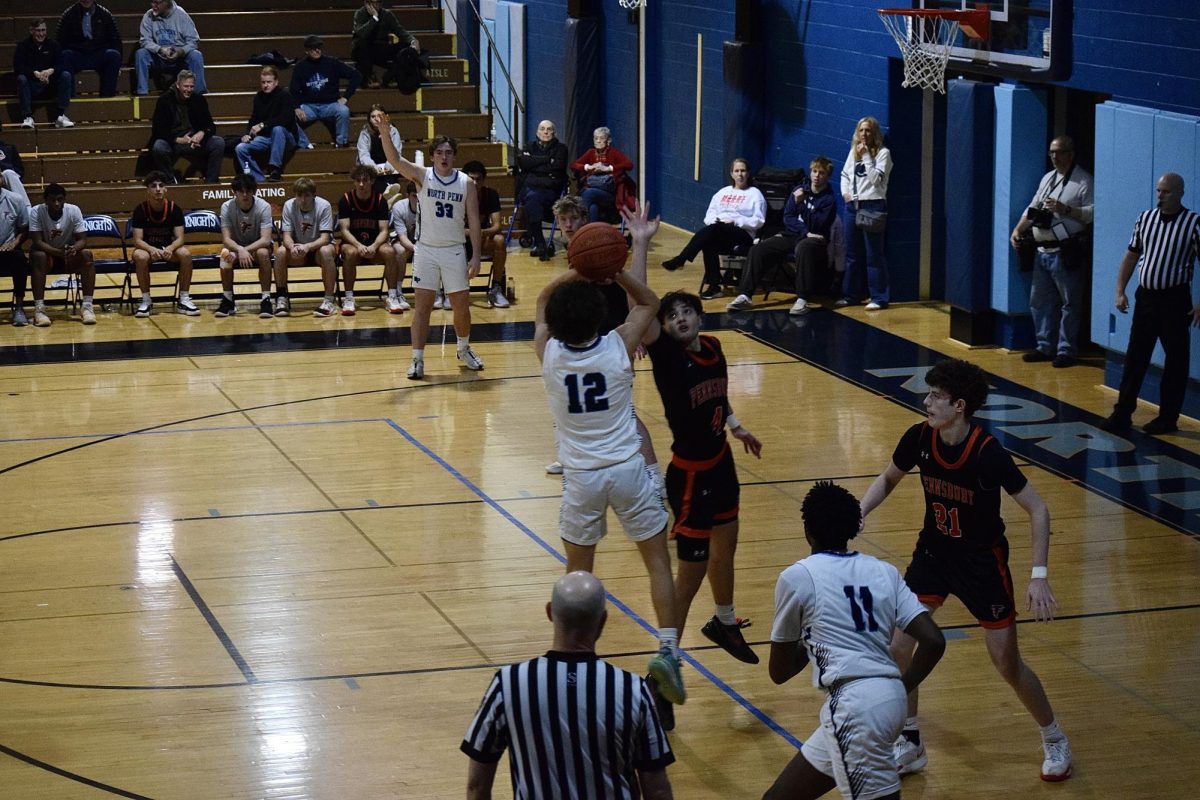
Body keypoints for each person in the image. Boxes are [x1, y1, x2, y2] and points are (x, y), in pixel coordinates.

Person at [859, 358, 1073, 783]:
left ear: (959, 406)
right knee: (899, 645)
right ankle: (911, 741)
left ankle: (1054, 737)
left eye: (936, 397)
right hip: (933, 556)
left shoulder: (988, 453)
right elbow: (887, 479)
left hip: (981, 563)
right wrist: (859, 512)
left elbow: (1038, 509)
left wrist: (1039, 574)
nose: (926, 402)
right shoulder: (919, 437)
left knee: (1006, 663)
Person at [534, 263, 686, 709]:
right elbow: (650, 303)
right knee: (658, 562)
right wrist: (614, 270)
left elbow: (542, 301)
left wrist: (575, 268)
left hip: (582, 477)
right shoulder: (620, 344)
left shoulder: (548, 352)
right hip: (629, 470)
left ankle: (570, 662)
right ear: (601, 318)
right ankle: (668, 651)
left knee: (578, 578)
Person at [763, 481, 946, 800]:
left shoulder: (797, 577)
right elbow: (934, 641)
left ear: (808, 531)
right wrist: (903, 687)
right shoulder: (884, 571)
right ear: (851, 528)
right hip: (889, 702)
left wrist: (810, 637)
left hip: (853, 707)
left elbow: (778, 673)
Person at [461, 571, 675, 800]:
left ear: (550, 612)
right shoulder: (632, 690)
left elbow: (477, 786)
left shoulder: (508, 684)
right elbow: (658, 790)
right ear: (603, 619)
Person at [546, 195, 664, 491]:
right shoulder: (577, 254)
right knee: (566, 399)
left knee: (627, 415)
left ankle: (652, 473)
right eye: (564, 220)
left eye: (574, 218)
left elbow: (633, 303)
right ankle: (572, 454)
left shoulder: (600, 252)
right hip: (585, 342)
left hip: (613, 340)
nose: (569, 224)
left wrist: (630, 336)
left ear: (586, 221)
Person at [376, 124, 484, 378]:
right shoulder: (423, 176)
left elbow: (475, 221)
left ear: (453, 156)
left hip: (454, 250)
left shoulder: (466, 183)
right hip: (426, 250)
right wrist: (383, 132)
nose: (444, 156)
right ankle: (417, 359)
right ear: (432, 155)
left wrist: (476, 255)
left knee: (461, 307)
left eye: (448, 152)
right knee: (422, 308)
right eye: (439, 152)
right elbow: (394, 159)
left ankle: (464, 348)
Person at [1100, 172, 1200, 435]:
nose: (1160, 196)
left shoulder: (1194, 223)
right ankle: (1122, 413)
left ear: (1180, 193)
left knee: (1176, 361)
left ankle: (1168, 418)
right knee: (1135, 357)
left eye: (1166, 192)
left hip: (1175, 300)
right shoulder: (1145, 218)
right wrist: (1120, 290)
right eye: (1158, 191)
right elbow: (1131, 256)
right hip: (1146, 298)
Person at [1009, 136, 1094, 368]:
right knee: (1040, 301)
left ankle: (1066, 350)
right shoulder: (1048, 178)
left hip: (1066, 250)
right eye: (1051, 153)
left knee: (1070, 303)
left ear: (1071, 154)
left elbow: (1092, 213)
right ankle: (1044, 346)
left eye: (1059, 152)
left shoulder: (1084, 181)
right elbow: (1033, 207)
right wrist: (1017, 230)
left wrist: (1066, 209)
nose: (1054, 157)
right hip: (1042, 251)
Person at [727, 156, 837, 315]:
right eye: (814, 171)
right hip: (794, 234)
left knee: (804, 247)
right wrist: (804, 230)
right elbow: (788, 217)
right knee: (758, 249)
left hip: (815, 240)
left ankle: (802, 299)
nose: (816, 176)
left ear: (827, 176)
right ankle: (745, 295)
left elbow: (818, 225)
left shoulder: (828, 200)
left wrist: (801, 206)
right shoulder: (799, 190)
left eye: (821, 173)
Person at [661, 157, 766, 300]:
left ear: (748, 173)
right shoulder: (722, 192)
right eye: (737, 171)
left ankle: (681, 259)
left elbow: (759, 221)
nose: (740, 174)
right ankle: (714, 286)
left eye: (743, 171)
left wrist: (736, 221)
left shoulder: (755, 194)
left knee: (713, 231)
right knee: (709, 240)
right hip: (720, 231)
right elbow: (709, 215)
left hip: (743, 234)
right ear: (731, 174)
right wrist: (716, 222)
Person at [838, 116, 892, 310]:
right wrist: (845, 193)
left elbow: (876, 179)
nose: (864, 134)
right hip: (853, 206)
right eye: (861, 130)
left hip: (873, 205)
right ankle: (851, 294)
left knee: (874, 254)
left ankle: (878, 297)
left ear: (874, 133)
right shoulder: (854, 152)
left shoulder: (883, 154)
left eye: (868, 130)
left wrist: (868, 156)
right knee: (852, 254)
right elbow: (845, 174)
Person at [129, 170, 199, 318]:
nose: (158, 189)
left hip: (168, 248)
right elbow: (137, 240)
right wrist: (151, 249)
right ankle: (146, 301)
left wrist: (171, 248)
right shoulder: (140, 210)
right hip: (148, 250)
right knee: (140, 256)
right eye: (154, 186)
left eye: (161, 185)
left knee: (185, 254)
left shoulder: (175, 209)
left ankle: (184, 299)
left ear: (166, 188)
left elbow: (180, 239)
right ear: (148, 190)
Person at [337, 164, 405, 316]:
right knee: (350, 252)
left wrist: (374, 245)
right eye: (358, 180)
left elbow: (384, 230)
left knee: (389, 251)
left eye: (365, 180)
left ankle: (392, 296)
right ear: (354, 182)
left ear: (372, 181)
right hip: (353, 244)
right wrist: (359, 245)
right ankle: (349, 298)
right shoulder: (346, 200)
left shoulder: (380, 201)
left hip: (375, 245)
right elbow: (344, 230)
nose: (361, 184)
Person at [28, 183, 95, 326]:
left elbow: (83, 239)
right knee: (39, 255)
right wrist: (58, 252)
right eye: (52, 200)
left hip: (67, 255)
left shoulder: (73, 210)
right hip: (47, 255)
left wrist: (74, 248)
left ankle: (87, 306)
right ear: (45, 200)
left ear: (64, 198)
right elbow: (37, 241)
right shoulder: (36, 211)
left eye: (59, 199)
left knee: (87, 255)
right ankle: (39, 310)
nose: (56, 203)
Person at [148, 70, 224, 184]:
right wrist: (178, 139)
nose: (189, 90)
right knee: (159, 147)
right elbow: (158, 130)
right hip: (173, 141)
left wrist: (201, 133)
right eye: (186, 86)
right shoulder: (164, 100)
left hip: (194, 142)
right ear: (178, 85)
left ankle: (211, 182)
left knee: (218, 142)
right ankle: (170, 180)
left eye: (191, 86)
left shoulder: (199, 100)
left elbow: (210, 126)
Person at [216, 174, 274, 319]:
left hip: (257, 246)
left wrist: (245, 250)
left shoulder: (264, 206)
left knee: (262, 253)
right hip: (236, 247)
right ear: (234, 192)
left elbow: (266, 240)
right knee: (225, 256)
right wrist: (240, 249)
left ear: (254, 191)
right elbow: (226, 239)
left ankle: (266, 299)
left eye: (248, 191)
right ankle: (228, 299)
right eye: (241, 191)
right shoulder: (227, 207)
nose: (244, 194)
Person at [278, 177, 337, 318]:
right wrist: (292, 247)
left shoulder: (324, 206)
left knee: (326, 251)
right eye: (299, 196)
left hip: (318, 247)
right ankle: (281, 299)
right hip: (298, 249)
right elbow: (286, 236)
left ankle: (329, 300)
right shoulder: (288, 205)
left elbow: (325, 238)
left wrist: (308, 246)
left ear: (313, 195)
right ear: (295, 195)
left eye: (307, 196)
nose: (303, 200)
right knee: (280, 251)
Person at [291, 35, 361, 150]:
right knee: (288, 116)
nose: (317, 50)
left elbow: (356, 76)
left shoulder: (332, 63)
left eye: (319, 47)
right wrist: (296, 107)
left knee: (344, 111)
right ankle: (305, 145)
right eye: (313, 48)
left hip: (330, 105)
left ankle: (341, 143)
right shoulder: (300, 67)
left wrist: (346, 97)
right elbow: (293, 90)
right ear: (307, 51)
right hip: (309, 106)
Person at [234, 65, 298, 183]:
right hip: (266, 138)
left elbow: (285, 119)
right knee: (240, 148)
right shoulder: (259, 97)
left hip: (286, 137)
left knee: (277, 129)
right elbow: (253, 119)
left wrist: (263, 125)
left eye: (269, 82)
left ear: (276, 82)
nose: (265, 85)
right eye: (263, 82)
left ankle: (274, 169)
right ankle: (258, 179)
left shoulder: (285, 95)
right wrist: (247, 134)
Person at [516, 119, 568, 260]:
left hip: (550, 191)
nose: (545, 132)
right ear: (537, 132)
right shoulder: (529, 146)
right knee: (532, 197)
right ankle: (540, 243)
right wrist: (546, 160)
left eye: (549, 129)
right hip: (531, 188)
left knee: (533, 199)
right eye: (542, 129)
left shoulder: (561, 148)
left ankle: (539, 243)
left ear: (554, 133)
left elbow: (557, 168)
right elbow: (524, 163)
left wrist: (534, 163)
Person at [461, 160, 509, 308]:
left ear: (484, 180)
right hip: (461, 242)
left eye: (478, 179)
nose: (475, 183)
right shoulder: (457, 195)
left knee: (499, 240)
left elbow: (497, 226)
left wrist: (477, 233)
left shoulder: (491, 194)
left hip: (482, 240)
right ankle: (454, 291)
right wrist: (472, 233)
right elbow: (453, 228)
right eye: (471, 179)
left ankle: (496, 288)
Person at [135, 0, 207, 96]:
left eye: (157, 2)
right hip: (159, 57)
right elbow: (144, 41)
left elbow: (194, 40)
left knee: (196, 56)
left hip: (179, 58)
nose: (153, 5)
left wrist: (181, 51)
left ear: (167, 2)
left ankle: (198, 94)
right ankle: (142, 92)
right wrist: (160, 49)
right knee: (141, 53)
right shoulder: (148, 16)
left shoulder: (181, 14)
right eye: (152, 2)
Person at [14, 18, 74, 129]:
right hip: (32, 85)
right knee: (21, 78)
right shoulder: (23, 46)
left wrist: (50, 71)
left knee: (66, 75)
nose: (41, 33)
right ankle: (27, 117)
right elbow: (18, 67)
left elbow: (62, 64)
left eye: (43, 30)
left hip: (50, 85)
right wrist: (35, 73)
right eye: (38, 30)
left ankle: (60, 116)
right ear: (31, 31)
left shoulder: (53, 45)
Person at [55, 0, 122, 99]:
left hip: (98, 53)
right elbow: (60, 40)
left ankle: (107, 98)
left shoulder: (105, 14)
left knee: (113, 55)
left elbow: (115, 39)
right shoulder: (69, 14)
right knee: (65, 55)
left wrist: (119, 66)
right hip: (78, 54)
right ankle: (70, 98)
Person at [571, 126, 634, 223]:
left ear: (608, 140)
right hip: (593, 189)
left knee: (588, 193)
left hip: (610, 193)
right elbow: (573, 165)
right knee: (593, 208)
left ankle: (577, 225)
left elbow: (629, 165)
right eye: (596, 138)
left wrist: (608, 168)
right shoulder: (591, 153)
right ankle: (591, 235)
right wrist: (588, 167)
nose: (598, 141)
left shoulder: (614, 152)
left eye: (601, 138)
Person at [351, 0, 420, 88]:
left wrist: (413, 41)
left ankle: (390, 76)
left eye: (378, 3)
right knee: (360, 44)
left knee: (407, 47)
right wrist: (374, 18)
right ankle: (368, 77)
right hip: (365, 49)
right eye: (373, 3)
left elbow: (401, 31)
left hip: (382, 48)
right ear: (366, 4)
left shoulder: (387, 15)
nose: (376, 6)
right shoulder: (360, 14)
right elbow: (361, 34)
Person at [0, 182, 31, 327]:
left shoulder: (16, 199)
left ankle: (19, 308)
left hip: (8, 251)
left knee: (20, 259)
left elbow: (24, 230)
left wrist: (14, 243)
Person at [357, 104, 405, 197]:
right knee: (374, 181)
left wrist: (389, 166)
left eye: (379, 116)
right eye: (373, 116)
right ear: (369, 119)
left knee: (391, 178)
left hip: (389, 164)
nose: (376, 119)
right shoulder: (365, 133)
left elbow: (397, 151)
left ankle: (389, 195)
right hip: (370, 166)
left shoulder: (393, 131)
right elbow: (363, 155)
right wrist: (374, 168)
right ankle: (386, 196)